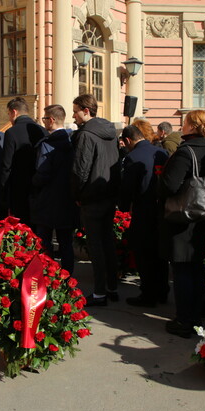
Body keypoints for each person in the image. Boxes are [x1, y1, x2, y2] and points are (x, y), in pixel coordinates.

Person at [159, 110, 205, 336]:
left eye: (184, 123)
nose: (182, 126)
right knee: (195, 267)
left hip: (183, 216)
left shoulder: (186, 152)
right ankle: (199, 310)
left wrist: (161, 179)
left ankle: (185, 320)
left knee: (182, 268)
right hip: (200, 212)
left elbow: (170, 186)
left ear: (192, 126)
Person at [71, 94, 120, 306]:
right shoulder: (111, 132)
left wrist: (77, 195)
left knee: (97, 246)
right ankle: (112, 287)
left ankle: (100, 293)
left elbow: (80, 170)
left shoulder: (86, 135)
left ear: (86, 111)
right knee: (108, 242)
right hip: (109, 195)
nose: (74, 116)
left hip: (91, 198)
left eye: (75, 111)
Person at [119, 124, 169, 307]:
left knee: (143, 254)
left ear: (128, 141)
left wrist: (124, 207)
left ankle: (148, 293)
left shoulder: (132, 157)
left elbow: (128, 188)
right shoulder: (161, 153)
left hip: (143, 211)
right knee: (160, 254)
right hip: (161, 210)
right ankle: (162, 291)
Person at [31, 105, 77, 273]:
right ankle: (68, 278)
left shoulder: (47, 144)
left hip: (47, 201)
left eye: (44, 118)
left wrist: (33, 182)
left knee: (45, 242)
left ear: (51, 120)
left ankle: (47, 277)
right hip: (67, 200)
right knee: (66, 243)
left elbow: (41, 173)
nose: (43, 122)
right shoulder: (73, 142)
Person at [0, 97, 48, 225]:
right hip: (39, 186)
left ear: (14, 112)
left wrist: (4, 189)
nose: (10, 118)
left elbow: (6, 165)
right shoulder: (42, 130)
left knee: (21, 226)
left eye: (9, 114)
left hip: (18, 187)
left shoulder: (11, 132)